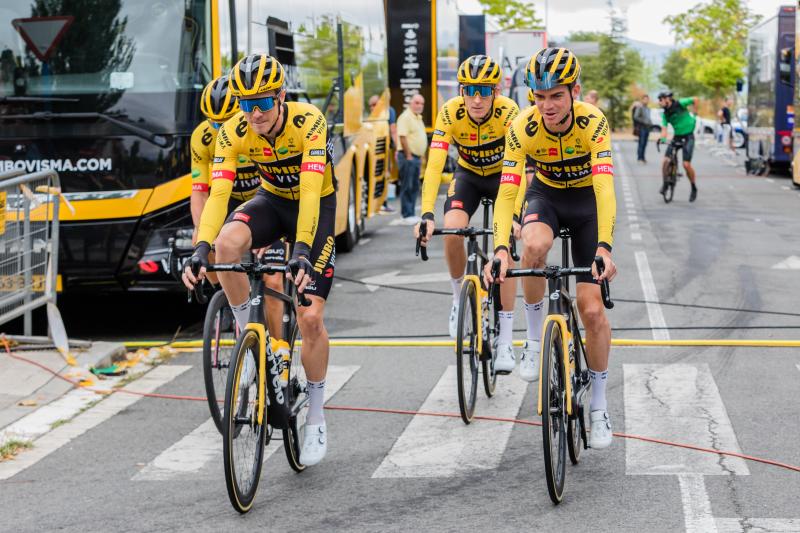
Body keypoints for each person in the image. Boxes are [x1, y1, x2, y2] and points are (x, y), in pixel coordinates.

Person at [183, 54, 336, 466]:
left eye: (263, 103)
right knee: (226, 246)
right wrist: (202, 246)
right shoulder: (233, 131)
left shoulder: (309, 122)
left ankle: (317, 418)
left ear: (281, 97)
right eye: (245, 104)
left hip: (314, 208)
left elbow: (308, 192)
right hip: (270, 200)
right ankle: (252, 337)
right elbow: (217, 194)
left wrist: (301, 250)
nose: (254, 113)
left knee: (310, 319)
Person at [485, 47, 618, 449]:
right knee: (534, 245)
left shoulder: (593, 122)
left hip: (587, 206)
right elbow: (508, 190)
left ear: (574, 91)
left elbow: (605, 188)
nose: (547, 106)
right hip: (546, 197)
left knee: (592, 309)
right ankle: (536, 338)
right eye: (539, 97)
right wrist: (500, 248)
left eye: (556, 96)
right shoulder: (522, 127)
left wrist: (605, 248)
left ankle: (598, 405)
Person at [414, 55, 523, 373]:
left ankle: (505, 340)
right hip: (470, 177)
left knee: (505, 246)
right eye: (469, 89)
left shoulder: (509, 113)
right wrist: (426, 213)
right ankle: (458, 298)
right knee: (451, 228)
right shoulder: (449, 112)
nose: (476, 98)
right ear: (461, 90)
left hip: (505, 177)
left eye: (484, 90)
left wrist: (515, 212)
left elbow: (521, 167)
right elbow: (434, 165)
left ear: (497, 91)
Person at [188, 75, 287, 346]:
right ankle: (230, 297)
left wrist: (265, 232)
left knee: (273, 282)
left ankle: (278, 351)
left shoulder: (260, 132)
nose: (221, 130)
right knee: (202, 242)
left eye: (226, 122)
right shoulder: (202, 137)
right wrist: (201, 232)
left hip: (263, 198)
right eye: (214, 123)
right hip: (229, 198)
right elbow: (201, 191)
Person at [658, 90, 698, 202]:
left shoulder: (680, 103)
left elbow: (695, 99)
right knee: (665, 161)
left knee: (686, 165)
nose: (660, 102)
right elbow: (664, 128)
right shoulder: (665, 113)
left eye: (661, 100)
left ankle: (693, 187)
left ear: (667, 99)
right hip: (677, 136)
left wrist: (695, 114)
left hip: (688, 136)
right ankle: (665, 183)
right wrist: (663, 138)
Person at [396, 93, 427, 223]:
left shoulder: (418, 117)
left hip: (415, 157)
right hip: (408, 156)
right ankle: (406, 215)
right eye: (417, 103)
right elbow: (402, 137)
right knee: (407, 185)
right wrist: (408, 155)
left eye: (421, 103)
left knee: (414, 186)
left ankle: (411, 213)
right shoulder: (406, 117)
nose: (419, 106)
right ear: (411, 103)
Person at [369, 94, 399, 214]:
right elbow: (393, 130)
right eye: (370, 105)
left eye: (374, 105)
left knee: (385, 173)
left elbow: (393, 129)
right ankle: (380, 204)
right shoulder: (383, 112)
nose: (372, 108)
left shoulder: (388, 111)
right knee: (382, 174)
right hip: (377, 149)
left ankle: (382, 203)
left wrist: (397, 147)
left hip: (383, 149)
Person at [632, 94, 653, 163]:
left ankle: (643, 157)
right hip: (642, 128)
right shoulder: (640, 107)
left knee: (645, 144)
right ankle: (639, 158)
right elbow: (636, 117)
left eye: (647, 99)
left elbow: (648, 118)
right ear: (642, 100)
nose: (646, 100)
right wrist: (644, 121)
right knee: (641, 143)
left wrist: (650, 123)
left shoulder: (648, 108)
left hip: (647, 128)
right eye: (645, 99)